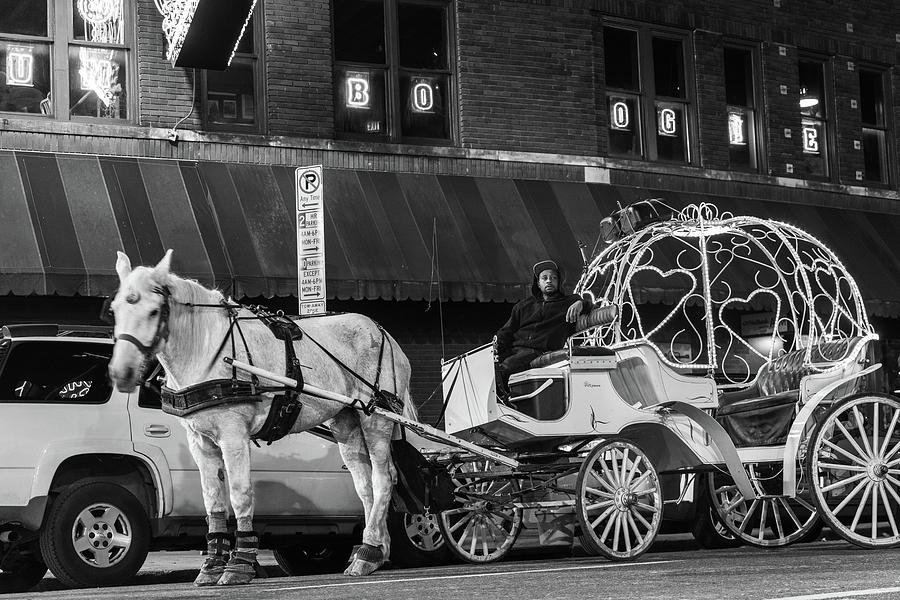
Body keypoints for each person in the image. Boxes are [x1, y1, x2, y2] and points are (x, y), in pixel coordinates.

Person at [494, 259, 591, 400]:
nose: (549, 281)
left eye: (553, 277)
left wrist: (580, 303)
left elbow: (591, 306)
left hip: (538, 351)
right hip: (513, 349)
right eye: (544, 278)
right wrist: (494, 350)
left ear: (558, 282)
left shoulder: (569, 302)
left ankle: (504, 404)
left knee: (505, 368)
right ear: (538, 283)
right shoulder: (523, 306)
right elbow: (506, 332)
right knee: (486, 368)